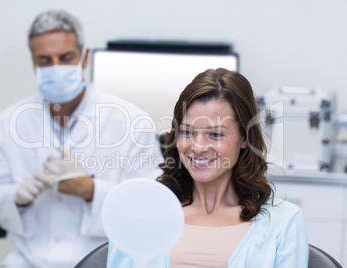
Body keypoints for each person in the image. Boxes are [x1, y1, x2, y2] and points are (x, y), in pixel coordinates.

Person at [0, 9, 163, 268]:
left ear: (84, 57)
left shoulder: (131, 121)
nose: (56, 68)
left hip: (103, 260)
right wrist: (17, 196)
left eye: (66, 58)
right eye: (45, 60)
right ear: (33, 63)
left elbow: (151, 206)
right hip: (28, 261)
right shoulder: (8, 122)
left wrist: (90, 190)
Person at [107, 68, 309, 267]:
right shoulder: (141, 216)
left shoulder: (284, 223)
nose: (197, 147)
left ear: (245, 138)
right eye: (187, 132)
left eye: (215, 134)